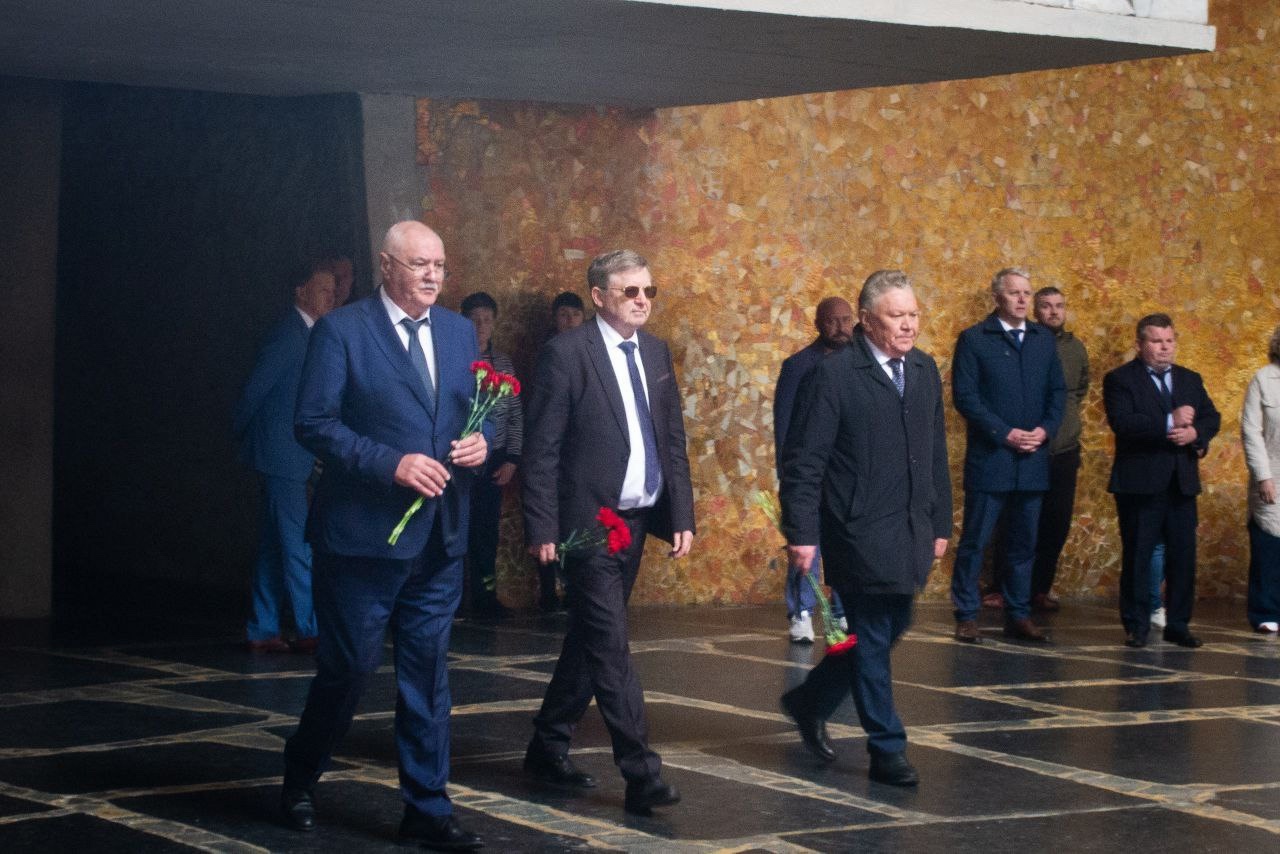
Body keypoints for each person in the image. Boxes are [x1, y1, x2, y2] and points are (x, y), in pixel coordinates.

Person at [279, 221, 490, 851]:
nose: (432, 275)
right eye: (420, 264)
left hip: (439, 539)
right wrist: (390, 464)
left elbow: (477, 410)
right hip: (361, 540)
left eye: (440, 265)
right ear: (387, 265)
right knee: (347, 671)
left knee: (427, 677)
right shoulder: (342, 331)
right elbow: (313, 423)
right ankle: (300, 776)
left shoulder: (458, 332)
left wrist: (482, 442)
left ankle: (428, 810)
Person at [522, 249, 695, 815]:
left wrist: (681, 515)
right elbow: (542, 448)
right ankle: (641, 773)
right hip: (588, 524)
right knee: (611, 646)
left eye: (649, 291)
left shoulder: (655, 351)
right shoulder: (566, 354)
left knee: (590, 638)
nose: (643, 301)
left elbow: (671, 439)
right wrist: (542, 525)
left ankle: (548, 745)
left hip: (636, 521)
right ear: (599, 297)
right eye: (630, 291)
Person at [778, 270, 951, 786]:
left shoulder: (923, 369)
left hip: (911, 525)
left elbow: (935, 453)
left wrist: (940, 520)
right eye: (897, 316)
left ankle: (811, 700)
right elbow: (804, 462)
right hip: (856, 529)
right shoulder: (833, 375)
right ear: (868, 320)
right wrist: (801, 532)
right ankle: (887, 747)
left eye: (914, 314)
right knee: (873, 633)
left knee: (893, 624)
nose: (909, 325)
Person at [951, 267, 1065, 644]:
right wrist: (1005, 433)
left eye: (1026, 293)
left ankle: (1018, 613)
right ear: (997, 296)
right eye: (1015, 293)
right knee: (976, 540)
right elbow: (966, 397)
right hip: (992, 459)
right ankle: (967, 615)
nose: (1022, 299)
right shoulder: (974, 339)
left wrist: (1044, 431)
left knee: (1023, 544)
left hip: (1032, 459)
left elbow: (1058, 393)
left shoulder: (1043, 340)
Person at [233, 260, 335, 654]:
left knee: (273, 546)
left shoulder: (311, 334)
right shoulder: (290, 335)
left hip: (293, 457)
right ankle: (310, 628)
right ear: (300, 290)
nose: (331, 297)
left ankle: (262, 627)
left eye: (333, 290)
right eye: (323, 289)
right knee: (297, 544)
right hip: (281, 457)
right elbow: (254, 390)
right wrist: (242, 434)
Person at [1103, 313, 1219, 649]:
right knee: (1139, 555)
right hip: (1140, 483)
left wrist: (1197, 435)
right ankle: (1137, 625)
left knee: (1183, 557)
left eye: (1169, 341)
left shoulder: (1190, 379)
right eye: (1156, 341)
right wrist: (1170, 420)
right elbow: (1124, 423)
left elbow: (1211, 417)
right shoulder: (1120, 379)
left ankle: (1178, 624)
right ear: (1140, 344)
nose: (1165, 347)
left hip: (1181, 482)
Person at [773, 297, 852, 642]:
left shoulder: (861, 364)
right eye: (832, 321)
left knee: (846, 546)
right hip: (809, 475)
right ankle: (801, 612)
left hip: (847, 476)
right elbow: (785, 425)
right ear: (818, 323)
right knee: (805, 545)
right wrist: (789, 476)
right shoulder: (798, 365)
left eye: (846, 320)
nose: (841, 327)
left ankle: (843, 610)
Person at [460, 291, 523, 618]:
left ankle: (486, 597)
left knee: (487, 531)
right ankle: (456, 600)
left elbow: (515, 415)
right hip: (460, 459)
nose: (482, 326)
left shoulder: (503, 363)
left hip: (495, 458)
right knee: (459, 529)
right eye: (475, 320)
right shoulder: (456, 358)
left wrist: (512, 458)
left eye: (487, 320)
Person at [1027, 286, 1090, 612]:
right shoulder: (1025, 342)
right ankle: (1008, 588)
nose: (1054, 312)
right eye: (1046, 306)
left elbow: (1079, 390)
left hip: (1065, 448)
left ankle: (1040, 588)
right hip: (1029, 447)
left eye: (1059, 306)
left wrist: (1065, 421)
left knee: (1057, 522)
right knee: (1022, 521)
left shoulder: (1075, 348)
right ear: (1035, 311)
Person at [1239, 325, 1280, 633]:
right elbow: (1251, 431)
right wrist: (1263, 476)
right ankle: (1265, 611)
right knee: (1268, 544)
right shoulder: (1263, 380)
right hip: (1272, 475)